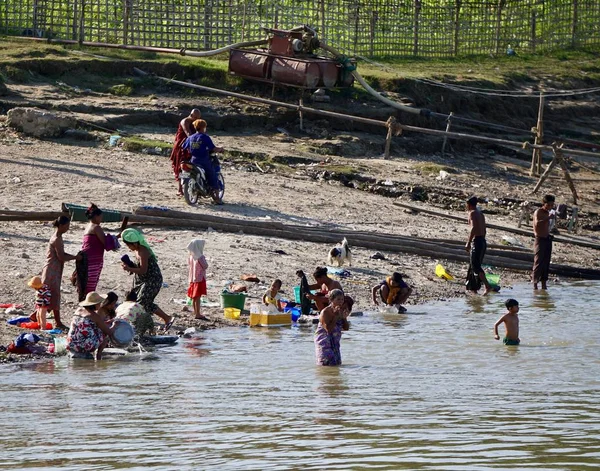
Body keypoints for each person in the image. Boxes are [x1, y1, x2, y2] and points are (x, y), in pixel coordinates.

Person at [121, 228, 175, 331]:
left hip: (152, 279)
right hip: (143, 280)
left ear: (135, 243)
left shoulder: (143, 251)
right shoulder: (137, 250)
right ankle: (152, 323)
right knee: (141, 302)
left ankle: (165, 319)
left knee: (143, 302)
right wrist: (130, 266)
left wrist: (129, 268)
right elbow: (140, 267)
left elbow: (143, 270)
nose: (128, 247)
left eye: (129, 245)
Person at [182, 119, 224, 204]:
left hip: (193, 160)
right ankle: (216, 198)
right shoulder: (205, 137)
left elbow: (183, 146)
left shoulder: (191, 137)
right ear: (204, 127)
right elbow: (213, 148)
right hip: (204, 161)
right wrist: (221, 149)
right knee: (212, 176)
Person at [66, 291, 115, 360]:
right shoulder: (94, 316)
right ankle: (98, 356)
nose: (100, 304)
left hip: (71, 343)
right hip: (84, 346)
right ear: (94, 304)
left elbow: (86, 325)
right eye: (99, 303)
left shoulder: (78, 310)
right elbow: (108, 332)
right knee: (105, 335)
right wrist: (115, 324)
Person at [314, 289, 350, 366]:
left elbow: (346, 328)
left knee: (336, 364)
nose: (341, 301)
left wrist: (344, 317)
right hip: (324, 340)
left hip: (335, 341)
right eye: (338, 299)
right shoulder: (325, 312)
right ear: (331, 300)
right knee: (326, 363)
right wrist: (336, 316)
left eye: (342, 299)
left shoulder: (340, 310)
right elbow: (328, 330)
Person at [465, 196, 492, 295]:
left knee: (475, 266)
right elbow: (484, 229)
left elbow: (473, 228)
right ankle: (473, 288)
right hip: (482, 241)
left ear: (468, 204)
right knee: (473, 265)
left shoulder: (472, 213)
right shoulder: (480, 213)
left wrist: (469, 242)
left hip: (477, 241)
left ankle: (487, 286)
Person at [170, 109, 201, 196]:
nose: (196, 120)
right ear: (191, 115)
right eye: (195, 117)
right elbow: (188, 133)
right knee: (181, 168)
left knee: (192, 166)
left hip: (191, 146)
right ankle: (180, 188)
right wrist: (195, 141)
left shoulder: (196, 123)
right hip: (182, 147)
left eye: (198, 118)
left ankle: (193, 186)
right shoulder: (185, 121)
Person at [80, 204, 107, 297]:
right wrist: (115, 240)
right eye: (100, 217)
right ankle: (88, 305)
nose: (101, 219)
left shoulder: (88, 226)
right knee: (91, 284)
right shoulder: (96, 227)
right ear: (96, 216)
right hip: (93, 259)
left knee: (85, 282)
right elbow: (105, 242)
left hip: (86, 257)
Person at [532, 194, 556, 290]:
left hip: (547, 239)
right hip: (540, 239)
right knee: (538, 262)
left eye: (552, 205)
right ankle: (534, 284)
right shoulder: (539, 212)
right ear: (544, 203)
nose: (550, 207)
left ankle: (544, 284)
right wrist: (548, 218)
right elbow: (538, 223)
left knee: (546, 262)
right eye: (549, 205)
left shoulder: (548, 213)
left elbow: (549, 226)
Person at [187, 239, 209, 320]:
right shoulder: (200, 257)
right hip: (199, 278)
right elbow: (205, 266)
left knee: (194, 297)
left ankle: (195, 312)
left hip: (192, 278)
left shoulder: (191, 256)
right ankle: (198, 313)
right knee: (198, 297)